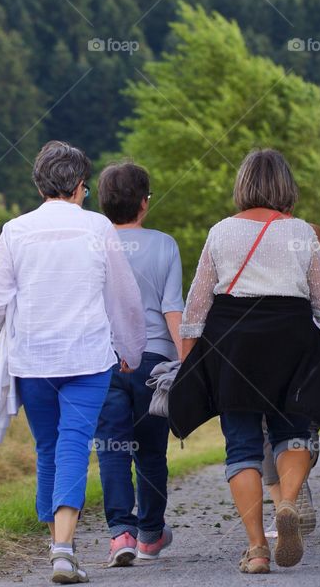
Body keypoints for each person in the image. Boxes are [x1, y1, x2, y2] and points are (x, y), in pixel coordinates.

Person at [169, 149, 320, 575]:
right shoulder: (303, 233)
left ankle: (256, 549)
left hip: (232, 343)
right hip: (290, 338)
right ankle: (287, 501)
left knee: (241, 447)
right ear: (286, 187)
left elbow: (195, 309)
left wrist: (189, 369)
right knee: (293, 430)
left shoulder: (220, 232)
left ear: (243, 186)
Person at [0, 141, 146, 584]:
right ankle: (64, 550)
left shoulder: (15, 230)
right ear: (79, 186)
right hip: (87, 357)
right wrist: (130, 349)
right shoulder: (98, 228)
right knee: (72, 446)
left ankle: (59, 548)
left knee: (48, 449)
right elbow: (123, 298)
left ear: (41, 183)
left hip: (32, 361)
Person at [93, 162, 182, 567]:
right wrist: (187, 361)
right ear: (145, 203)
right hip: (155, 362)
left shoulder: (92, 242)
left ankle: (120, 534)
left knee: (112, 447)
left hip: (104, 359)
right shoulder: (165, 244)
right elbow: (172, 309)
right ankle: (150, 533)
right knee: (151, 452)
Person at [262, 223, 320, 539]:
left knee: (267, 428)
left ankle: (286, 502)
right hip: (307, 340)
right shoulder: (313, 233)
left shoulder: (236, 232)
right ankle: (298, 482)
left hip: (260, 340)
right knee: (304, 424)